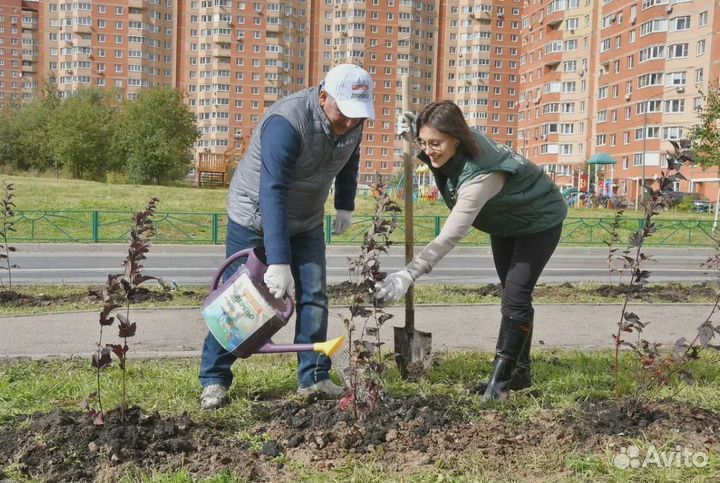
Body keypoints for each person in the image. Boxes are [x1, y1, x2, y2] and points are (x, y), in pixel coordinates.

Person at [199, 64, 375, 410]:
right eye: (344, 113)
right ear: (323, 96)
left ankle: (314, 377)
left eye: (358, 116)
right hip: (256, 214)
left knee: (315, 295)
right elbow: (273, 191)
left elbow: (350, 159)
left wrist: (344, 205)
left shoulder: (353, 120)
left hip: (306, 218)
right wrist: (278, 260)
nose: (351, 123)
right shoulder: (286, 122)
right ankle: (214, 379)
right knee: (239, 300)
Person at [375, 100, 567, 402]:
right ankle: (521, 371)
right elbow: (430, 143)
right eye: (423, 142)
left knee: (516, 297)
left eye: (435, 143)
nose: (429, 149)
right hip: (505, 221)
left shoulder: (480, 177)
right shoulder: (447, 143)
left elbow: (450, 235)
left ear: (457, 138)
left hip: (538, 219)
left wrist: (409, 273)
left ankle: (501, 381)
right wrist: (412, 130)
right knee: (511, 294)